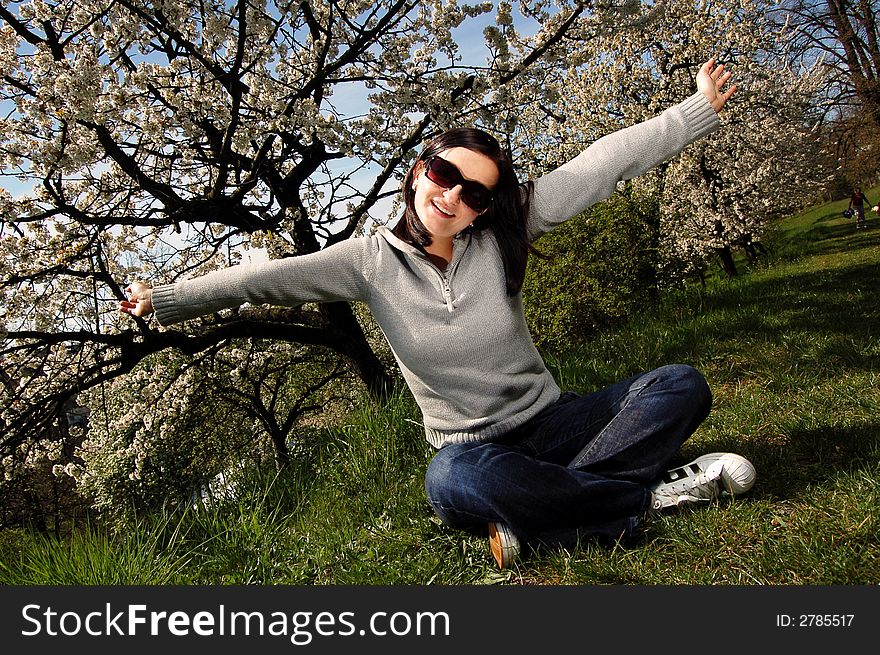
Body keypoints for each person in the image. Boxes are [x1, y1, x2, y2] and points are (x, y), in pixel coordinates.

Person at [121, 58, 756, 569]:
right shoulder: (368, 263)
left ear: (487, 206)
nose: (452, 195)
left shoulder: (503, 234)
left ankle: (556, 518)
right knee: (453, 482)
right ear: (418, 171)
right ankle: (644, 496)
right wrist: (172, 298)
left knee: (678, 386)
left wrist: (695, 110)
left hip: (551, 424)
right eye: (444, 174)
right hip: (471, 449)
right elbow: (264, 281)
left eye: (475, 190)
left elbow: (604, 162)